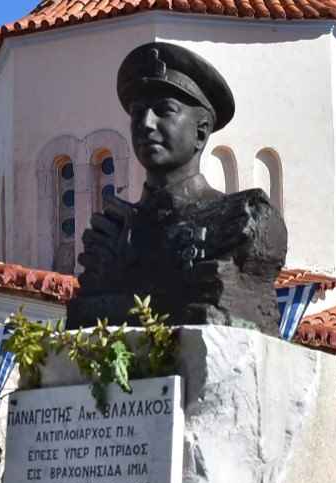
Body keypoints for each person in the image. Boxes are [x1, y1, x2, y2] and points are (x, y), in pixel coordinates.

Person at [69, 41, 289, 334]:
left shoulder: (242, 220)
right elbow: (84, 315)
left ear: (201, 131)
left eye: (164, 110)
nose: (146, 124)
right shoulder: (110, 234)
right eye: (137, 113)